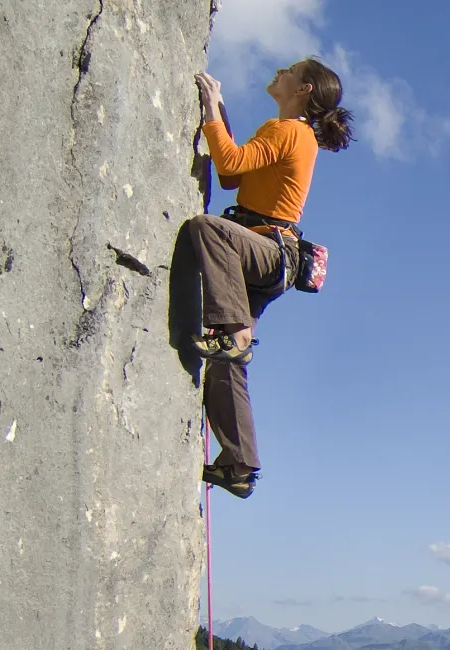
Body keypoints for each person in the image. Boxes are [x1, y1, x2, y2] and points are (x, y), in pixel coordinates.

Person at [188, 59, 353, 498]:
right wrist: (219, 112)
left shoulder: (292, 131)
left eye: (291, 69)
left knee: (208, 229)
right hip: (266, 257)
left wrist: (209, 109)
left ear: (303, 89)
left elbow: (229, 160)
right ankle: (238, 466)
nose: (281, 70)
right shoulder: (281, 130)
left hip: (266, 251)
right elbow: (230, 175)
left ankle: (227, 334)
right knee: (228, 361)